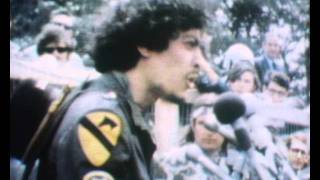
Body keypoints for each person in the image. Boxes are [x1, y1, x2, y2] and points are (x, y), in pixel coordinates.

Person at [36, 1, 207, 179]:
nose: (200, 62)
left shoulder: (121, 111)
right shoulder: (101, 121)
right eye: (190, 44)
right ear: (146, 43)